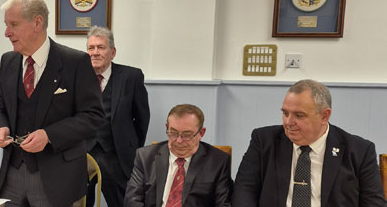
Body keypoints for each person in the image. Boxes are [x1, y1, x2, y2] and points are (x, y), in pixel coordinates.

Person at [0, 0, 105, 207]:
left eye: (13, 24)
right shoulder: (8, 61)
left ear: (37, 23)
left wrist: (49, 135)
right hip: (12, 176)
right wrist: (2, 126)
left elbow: (93, 116)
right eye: (6, 25)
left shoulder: (75, 62)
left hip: (57, 179)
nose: (7, 33)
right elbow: (1, 107)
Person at [233, 79, 387, 207]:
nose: (288, 122)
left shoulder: (359, 151)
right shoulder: (264, 140)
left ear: (324, 116)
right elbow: (243, 191)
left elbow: (373, 203)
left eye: (299, 115)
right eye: (285, 113)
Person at [85, 26, 150, 207]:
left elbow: (142, 118)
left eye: (101, 47)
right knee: (79, 202)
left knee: (122, 202)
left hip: (116, 155)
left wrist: (132, 147)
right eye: (91, 48)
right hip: (83, 152)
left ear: (112, 52)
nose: (95, 53)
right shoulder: (78, 76)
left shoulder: (131, 76)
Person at [124, 104, 233, 207]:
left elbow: (223, 204)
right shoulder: (145, 157)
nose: (179, 141)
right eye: (174, 133)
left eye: (187, 135)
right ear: (167, 127)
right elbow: (132, 201)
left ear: (201, 133)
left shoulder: (218, 162)